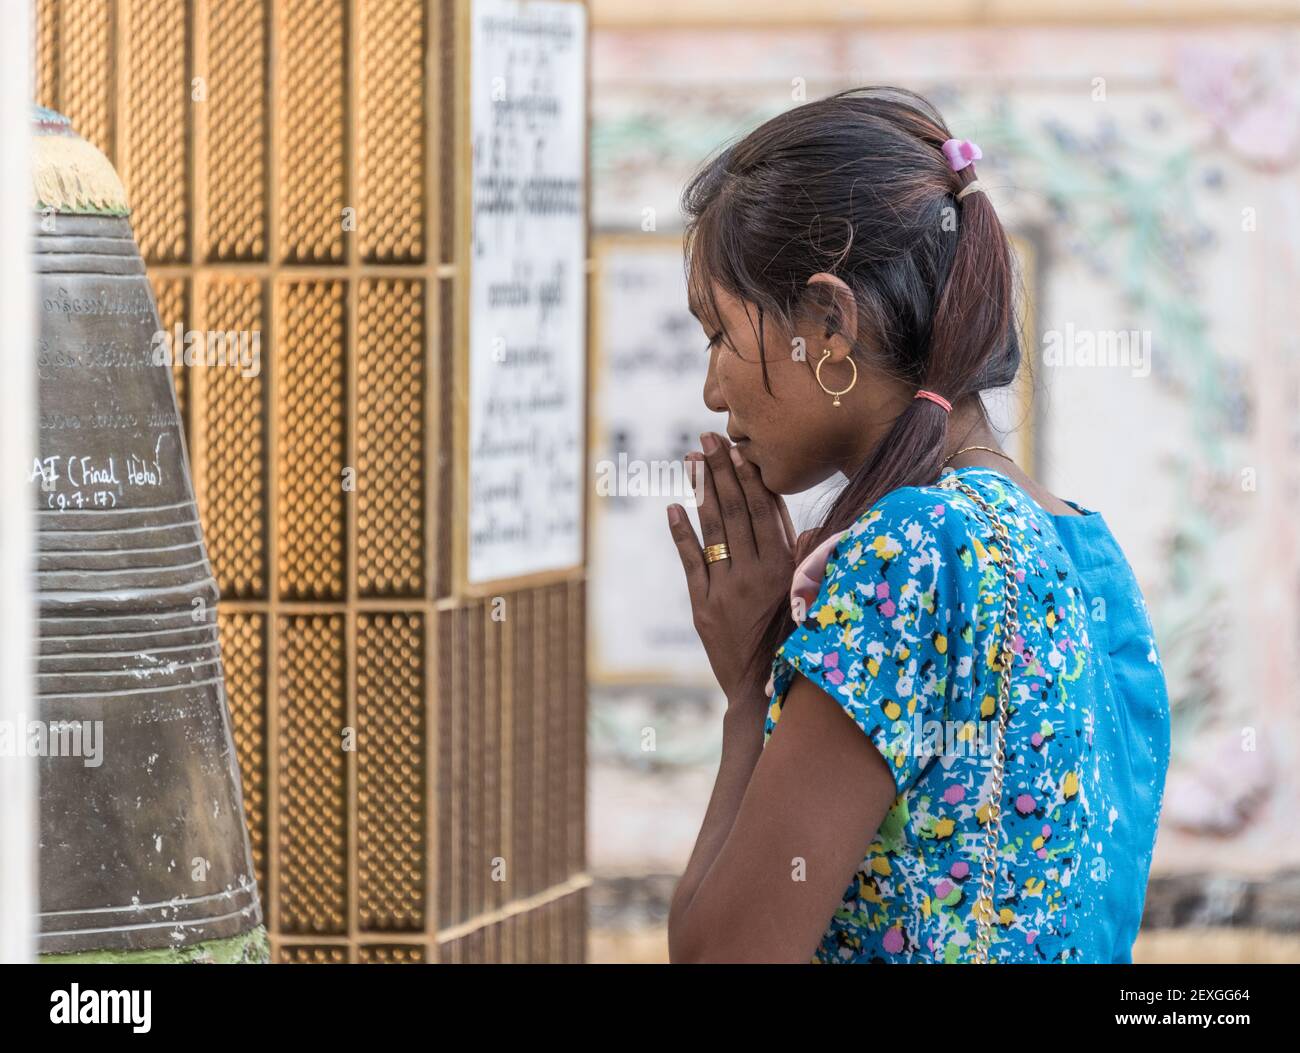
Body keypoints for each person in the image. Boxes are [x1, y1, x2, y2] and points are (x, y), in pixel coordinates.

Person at [664, 87, 1170, 964]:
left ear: (827, 324)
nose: (713, 390)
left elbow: (720, 956)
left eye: (718, 332)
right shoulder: (1089, 551)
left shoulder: (910, 554)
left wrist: (752, 686)